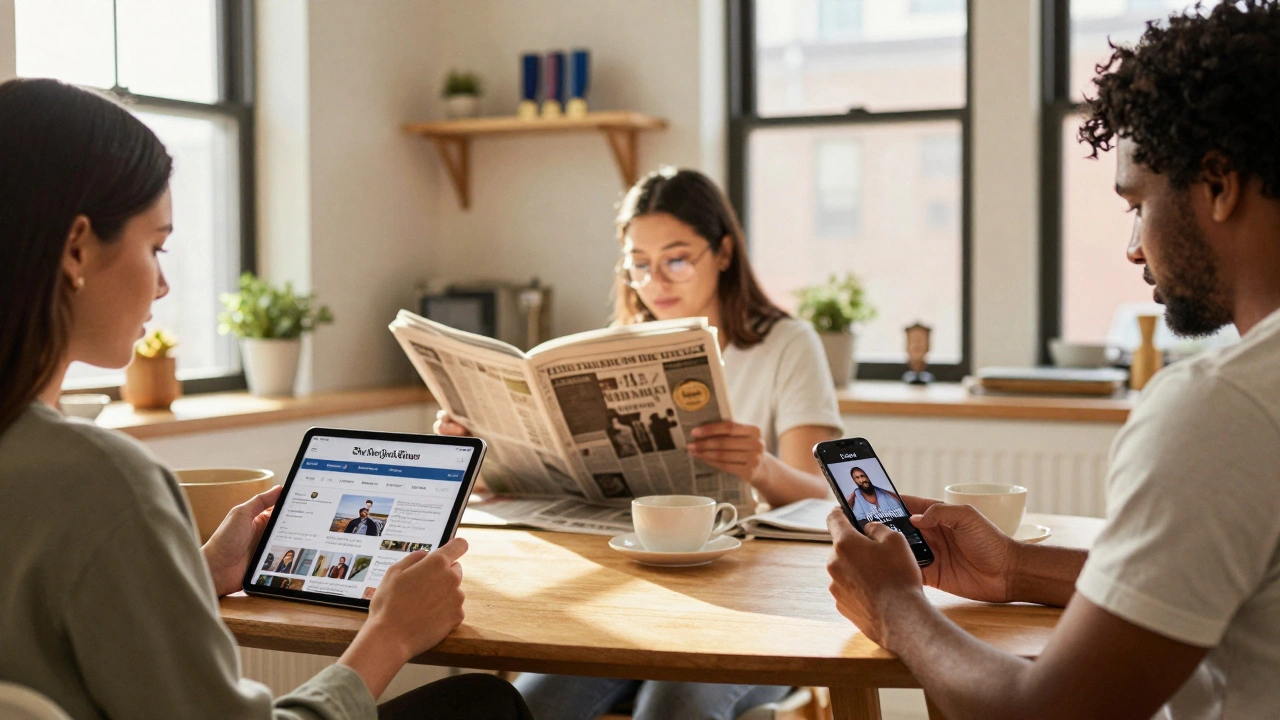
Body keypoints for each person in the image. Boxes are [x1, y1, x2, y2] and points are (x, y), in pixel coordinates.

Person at [0, 78, 534, 720]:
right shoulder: (106, 484)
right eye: (156, 245)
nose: (165, 284)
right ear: (77, 249)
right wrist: (390, 635)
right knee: (482, 704)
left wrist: (197, 576)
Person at [825, 3, 1280, 718]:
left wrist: (896, 610)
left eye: (1138, 203)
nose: (1133, 246)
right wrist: (1015, 566)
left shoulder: (1226, 406)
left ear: (1219, 185)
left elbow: (1050, 712)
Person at [437, 168, 844, 719]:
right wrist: (481, 452)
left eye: (677, 259)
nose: (656, 282)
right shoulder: (612, 347)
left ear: (723, 253)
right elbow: (560, 490)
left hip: (752, 606)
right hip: (632, 601)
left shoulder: (787, 344)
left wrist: (761, 468)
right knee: (529, 705)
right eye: (640, 264)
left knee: (671, 706)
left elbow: (825, 499)